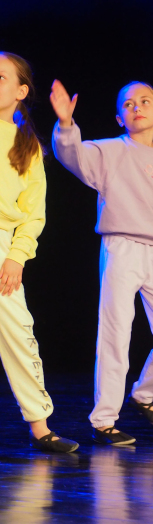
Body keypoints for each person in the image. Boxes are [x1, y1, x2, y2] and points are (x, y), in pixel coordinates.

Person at [51, 79, 153, 444]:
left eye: (144, 101)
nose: (136, 107)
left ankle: (144, 393)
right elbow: (72, 156)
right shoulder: (110, 151)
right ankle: (104, 420)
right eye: (128, 104)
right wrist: (65, 124)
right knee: (116, 333)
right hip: (122, 247)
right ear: (119, 117)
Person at [0, 52, 78, 452]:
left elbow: (34, 213)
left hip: (2, 244)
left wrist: (17, 255)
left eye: (0, 77)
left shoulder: (26, 146)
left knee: (18, 331)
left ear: (20, 91)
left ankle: (40, 426)